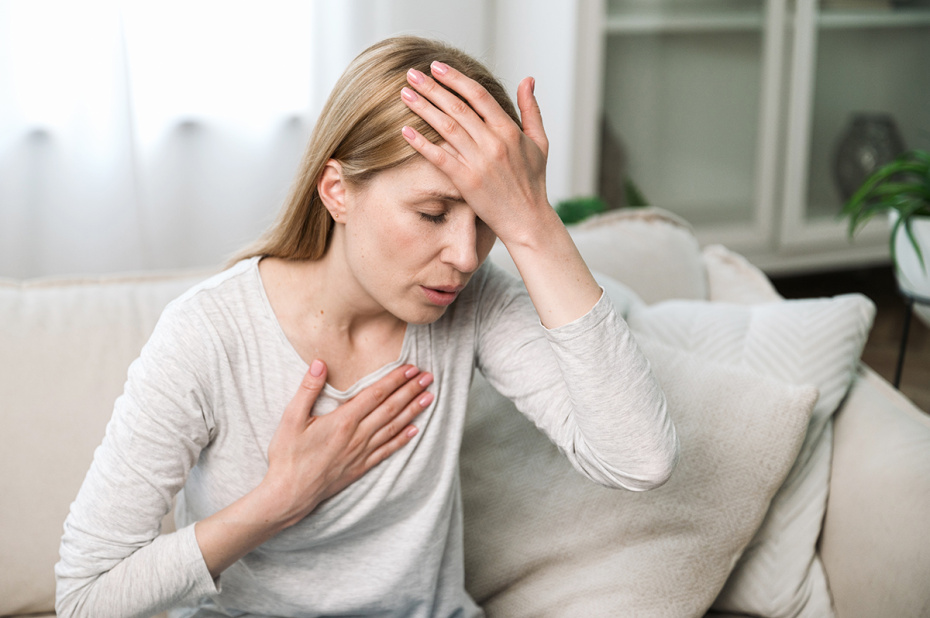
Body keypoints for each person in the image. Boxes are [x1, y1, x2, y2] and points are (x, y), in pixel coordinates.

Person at [55, 36, 678, 617]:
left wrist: (532, 223)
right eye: (432, 213)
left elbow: (640, 460)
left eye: (487, 219)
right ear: (337, 191)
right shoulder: (208, 334)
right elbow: (84, 596)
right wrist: (280, 501)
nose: (465, 255)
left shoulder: (476, 300)